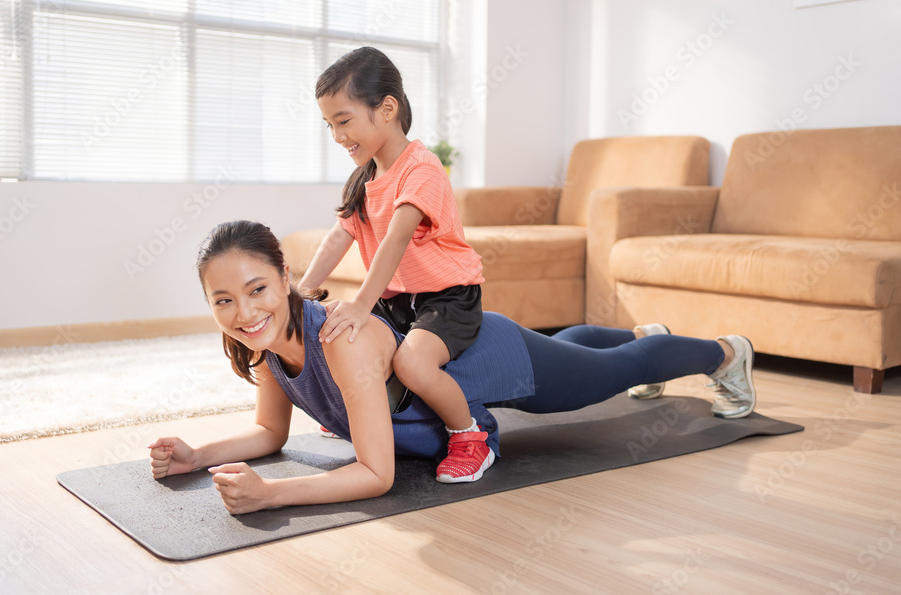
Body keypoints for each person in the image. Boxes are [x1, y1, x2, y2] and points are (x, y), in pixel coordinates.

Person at [147, 221, 757, 516]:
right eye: (223, 300)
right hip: (478, 353)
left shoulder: (339, 338)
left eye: (257, 289)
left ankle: (726, 353)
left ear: (286, 279)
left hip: (490, 358)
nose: (244, 311)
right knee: (579, 350)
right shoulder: (267, 348)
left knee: (608, 375)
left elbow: (374, 473)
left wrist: (270, 494)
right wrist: (197, 455)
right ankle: (640, 335)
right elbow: (270, 435)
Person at [296, 46, 490, 483]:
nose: (337, 136)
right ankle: (353, 412)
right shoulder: (364, 175)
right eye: (329, 125)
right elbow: (338, 237)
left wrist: (363, 303)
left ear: (387, 109)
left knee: (412, 365)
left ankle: (469, 437)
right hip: (397, 298)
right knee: (338, 336)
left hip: (448, 298)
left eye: (344, 121)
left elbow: (396, 240)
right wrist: (303, 290)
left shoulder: (421, 168)